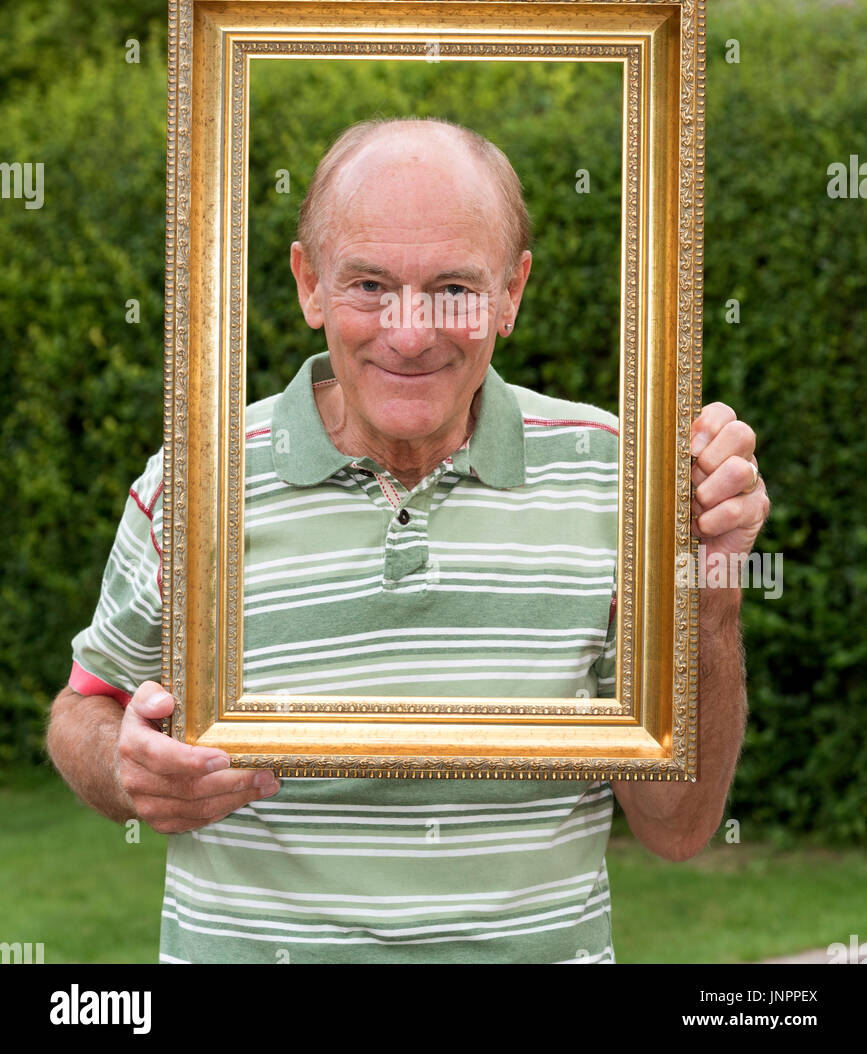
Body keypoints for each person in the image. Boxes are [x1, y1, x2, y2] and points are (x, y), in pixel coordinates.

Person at [46, 117, 768, 964]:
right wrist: (127, 768)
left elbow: (678, 829)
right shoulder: (192, 480)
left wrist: (709, 592)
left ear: (512, 293)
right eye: (369, 285)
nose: (411, 331)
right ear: (309, 283)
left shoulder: (626, 480)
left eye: (455, 288)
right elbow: (83, 705)